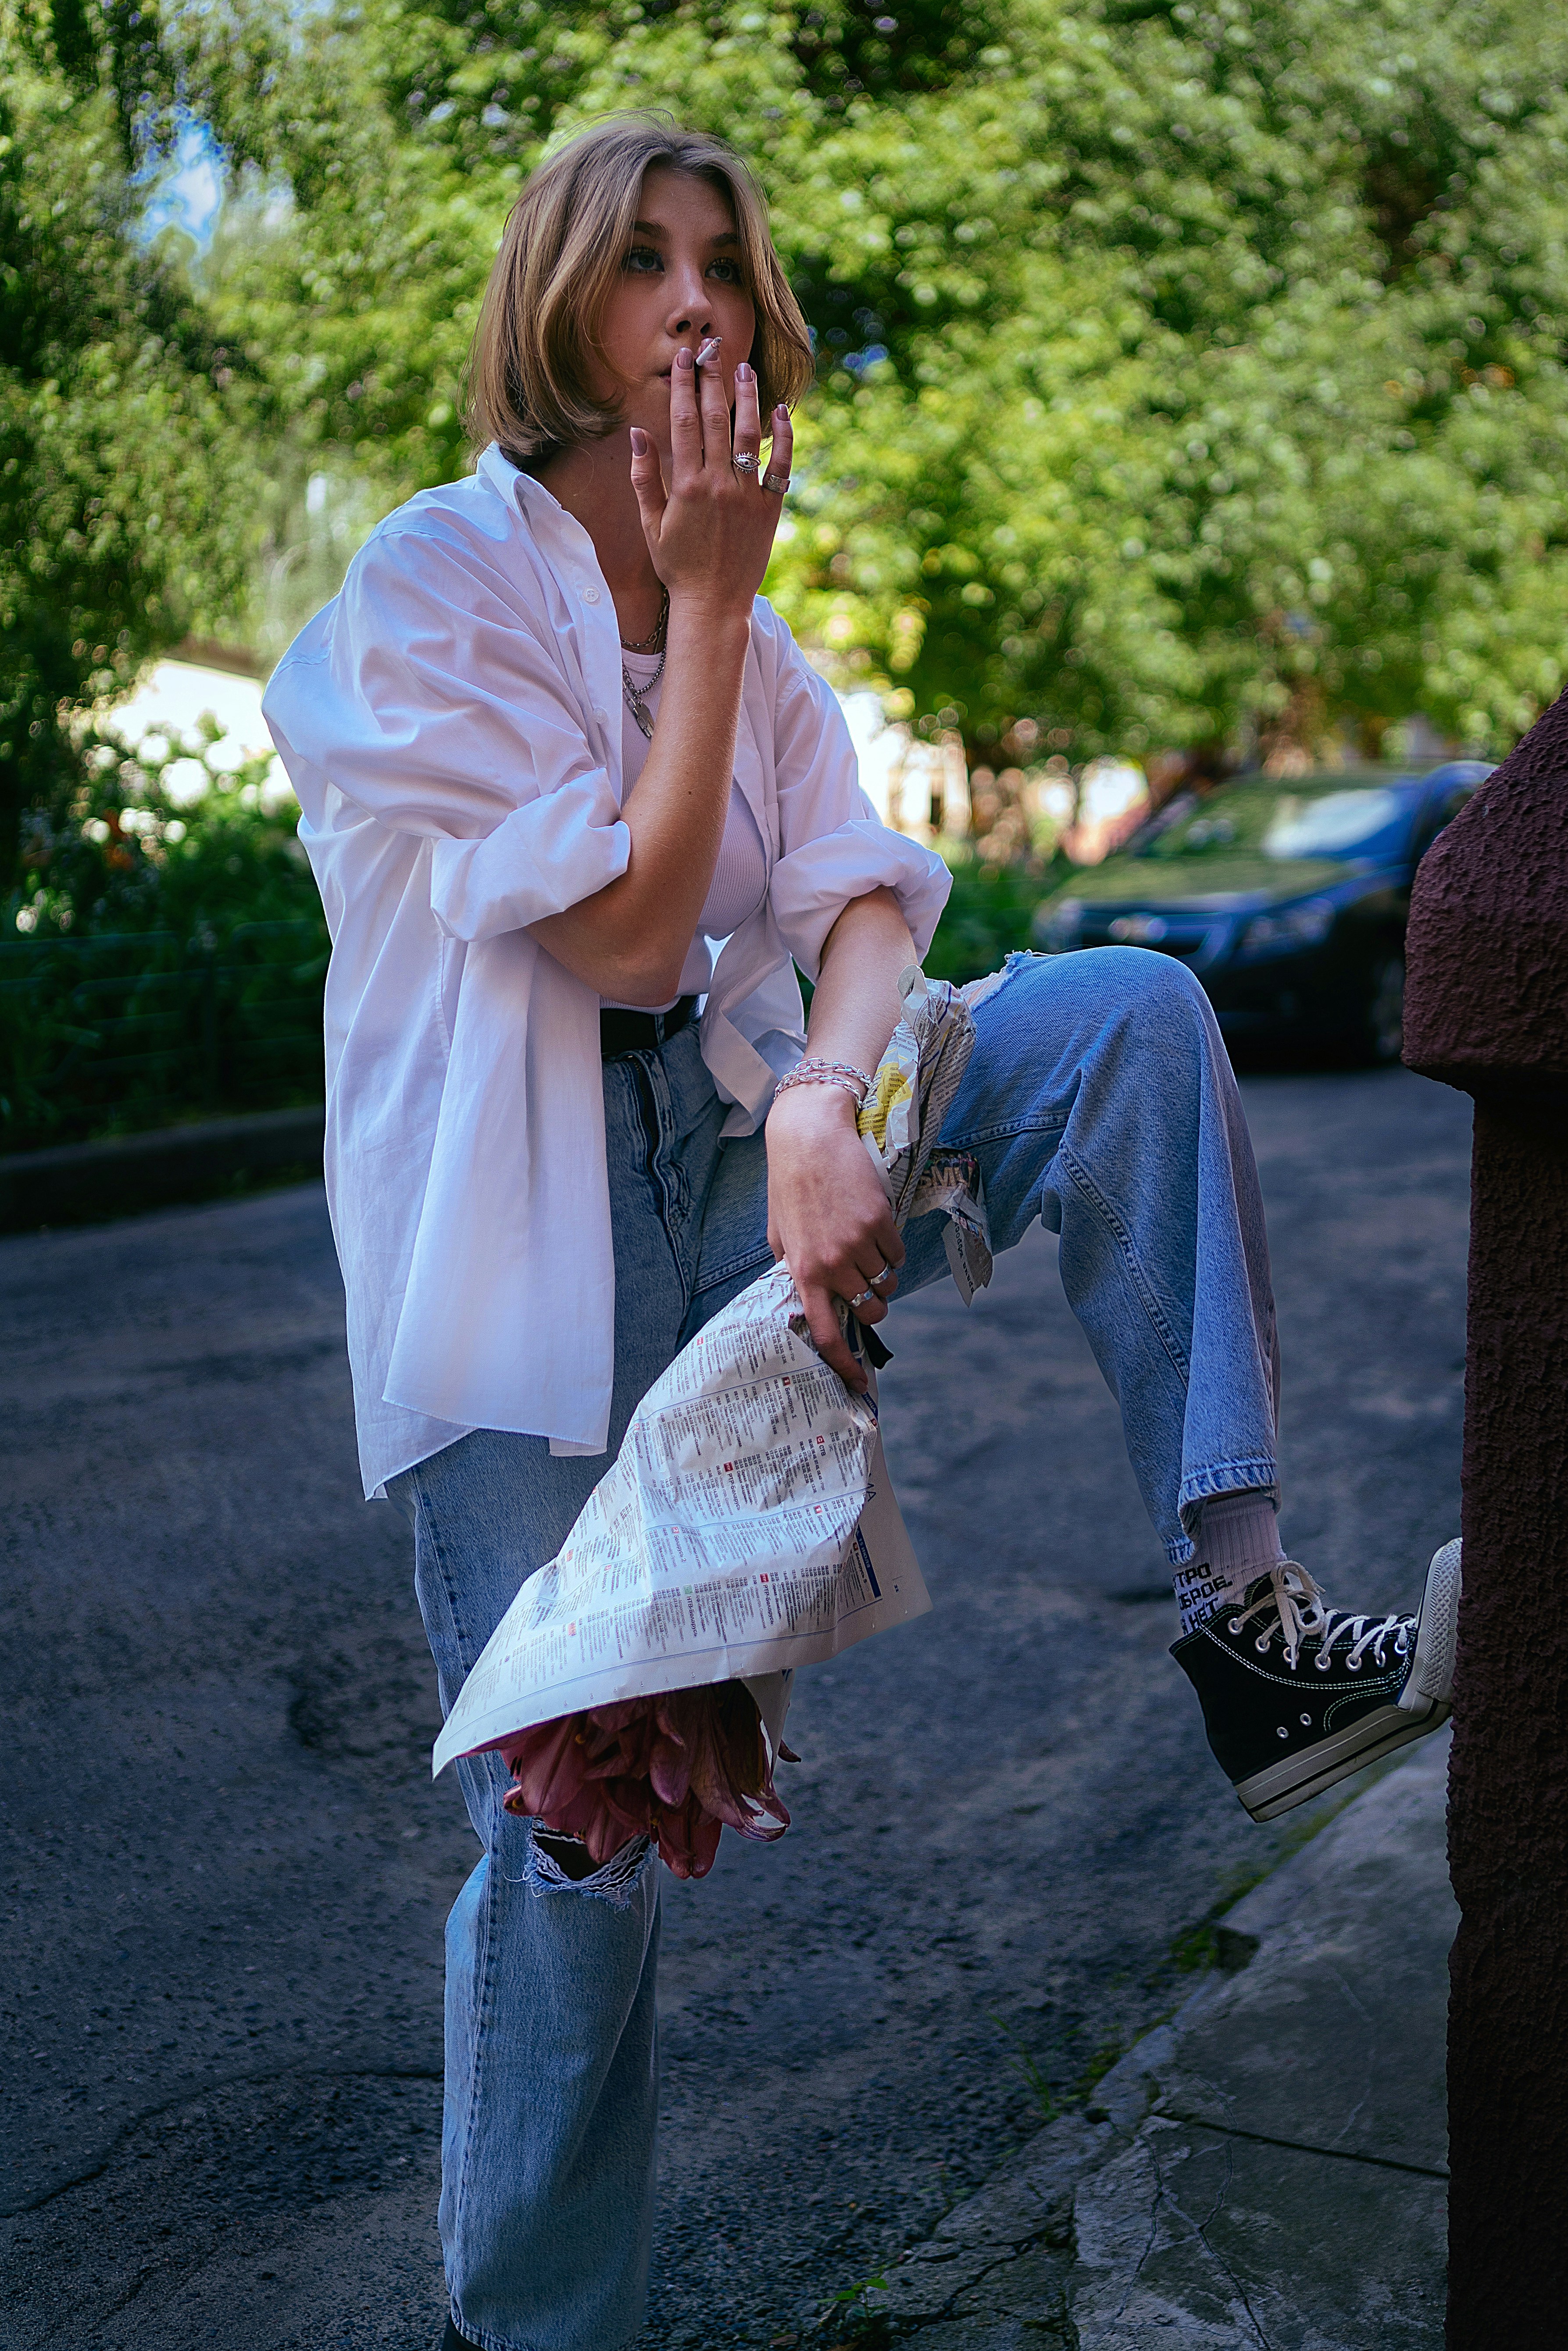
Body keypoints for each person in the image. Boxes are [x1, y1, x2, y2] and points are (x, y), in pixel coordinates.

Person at [264, 114, 1460, 2351]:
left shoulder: (764, 646)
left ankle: (1250, 1626)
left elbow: (862, 907)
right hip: (509, 1254)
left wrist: (828, 1096)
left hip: (728, 1162)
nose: (696, 302)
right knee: (580, 1822)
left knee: (1121, 1014)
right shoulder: (432, 587)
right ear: (561, 308)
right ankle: (533, 2328)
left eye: (726, 260)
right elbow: (626, 930)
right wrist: (706, 603)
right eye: (643, 262)